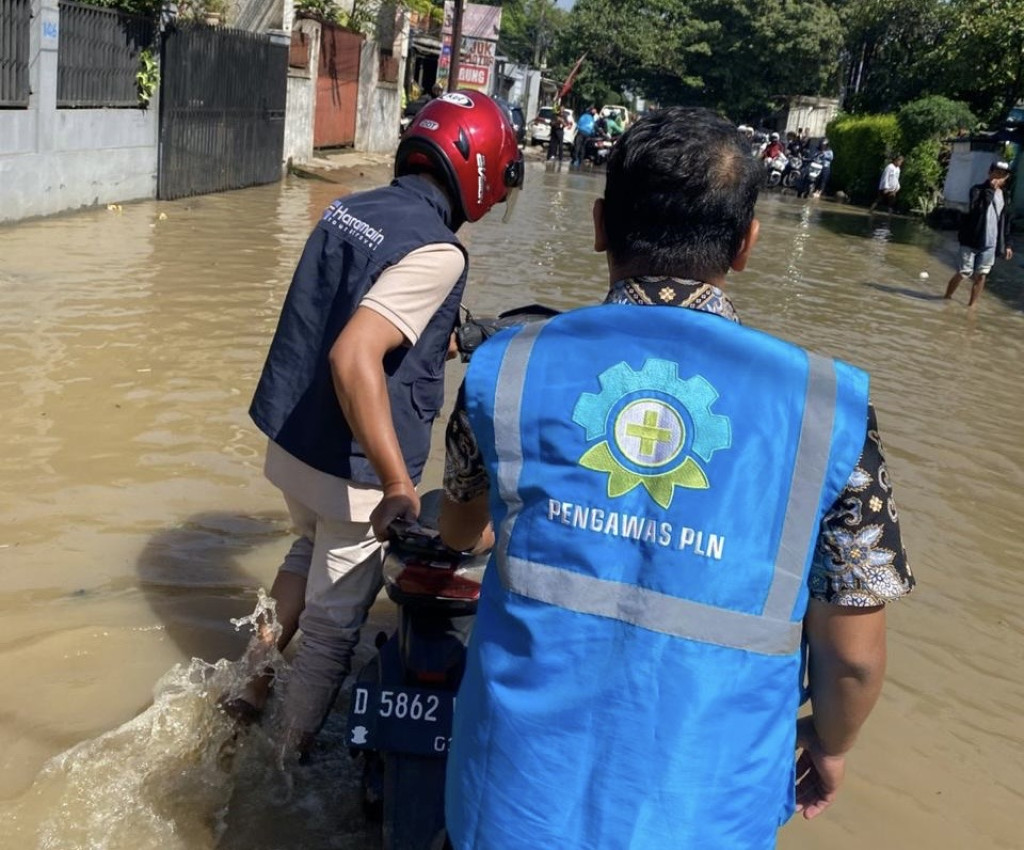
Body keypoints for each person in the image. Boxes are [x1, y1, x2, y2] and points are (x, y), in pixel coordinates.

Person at [439, 107, 913, 848]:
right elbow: (851, 656)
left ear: (599, 224)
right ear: (748, 242)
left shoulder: (507, 369)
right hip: (707, 811)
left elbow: (457, 528)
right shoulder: (831, 415)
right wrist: (831, 744)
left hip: (512, 799)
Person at [226, 91, 523, 755]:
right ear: (480, 170)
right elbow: (355, 352)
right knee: (335, 625)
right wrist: (396, 482)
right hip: (354, 473)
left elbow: (359, 316)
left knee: (304, 551)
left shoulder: (349, 206)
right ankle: (285, 760)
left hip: (293, 444)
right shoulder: (440, 251)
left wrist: (456, 333)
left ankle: (247, 685)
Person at [944, 159, 1014, 307]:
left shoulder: (1006, 196)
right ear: (989, 172)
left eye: (1002, 174)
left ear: (1006, 177)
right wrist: (990, 189)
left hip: (991, 242)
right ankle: (946, 298)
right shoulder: (977, 190)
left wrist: (1008, 243)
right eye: (996, 172)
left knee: (982, 274)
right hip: (971, 239)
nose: (999, 176)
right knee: (964, 272)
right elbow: (976, 210)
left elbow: (1006, 222)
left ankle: (972, 306)